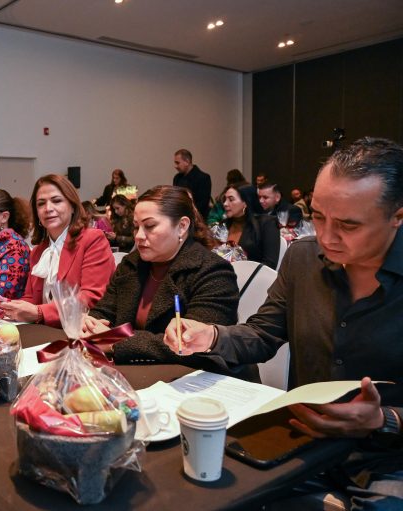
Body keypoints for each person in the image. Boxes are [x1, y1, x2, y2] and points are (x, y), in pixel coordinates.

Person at [164, 137, 403, 508]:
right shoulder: (304, 259)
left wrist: (384, 418)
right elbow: (263, 334)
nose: (326, 237)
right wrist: (211, 335)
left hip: (389, 459)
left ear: (397, 216)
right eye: (319, 217)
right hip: (304, 437)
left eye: (348, 226)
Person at [82, 186, 249, 377]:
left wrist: (114, 340)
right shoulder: (131, 265)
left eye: (150, 226)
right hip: (135, 373)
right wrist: (89, 324)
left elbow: (190, 344)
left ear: (182, 226)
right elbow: (103, 312)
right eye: (136, 227)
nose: (138, 236)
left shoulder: (213, 272)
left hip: (194, 383)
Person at [0, 174, 115, 328]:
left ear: (72, 206)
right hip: (44, 330)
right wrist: (10, 309)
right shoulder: (38, 251)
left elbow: (91, 297)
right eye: (41, 204)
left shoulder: (92, 239)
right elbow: (30, 298)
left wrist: (39, 312)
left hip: (81, 331)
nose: (48, 209)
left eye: (56, 201)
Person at [221, 184, 280, 269]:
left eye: (231, 199)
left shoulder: (267, 223)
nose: (225, 204)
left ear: (245, 203)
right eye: (224, 199)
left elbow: (269, 264)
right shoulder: (224, 225)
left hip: (253, 278)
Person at [172, 149, 212, 219]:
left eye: (177, 163)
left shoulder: (203, 178)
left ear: (187, 162)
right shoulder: (177, 178)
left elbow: (202, 204)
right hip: (180, 217)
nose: (175, 166)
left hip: (197, 219)